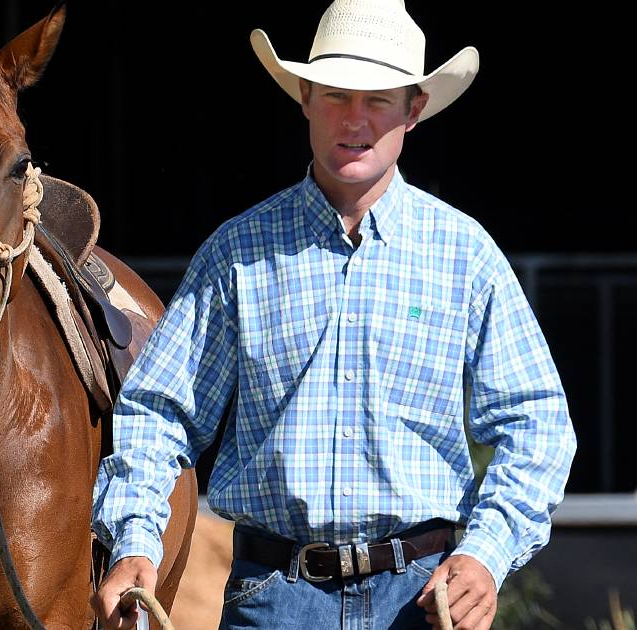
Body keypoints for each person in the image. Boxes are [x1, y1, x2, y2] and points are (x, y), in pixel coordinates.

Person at [90, 0, 577, 628]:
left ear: (414, 110)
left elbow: (537, 423)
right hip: (272, 599)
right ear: (305, 98)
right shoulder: (238, 253)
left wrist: (486, 554)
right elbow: (159, 410)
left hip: (424, 602)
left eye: (378, 99)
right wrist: (134, 539)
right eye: (336, 96)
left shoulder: (465, 255)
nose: (356, 119)